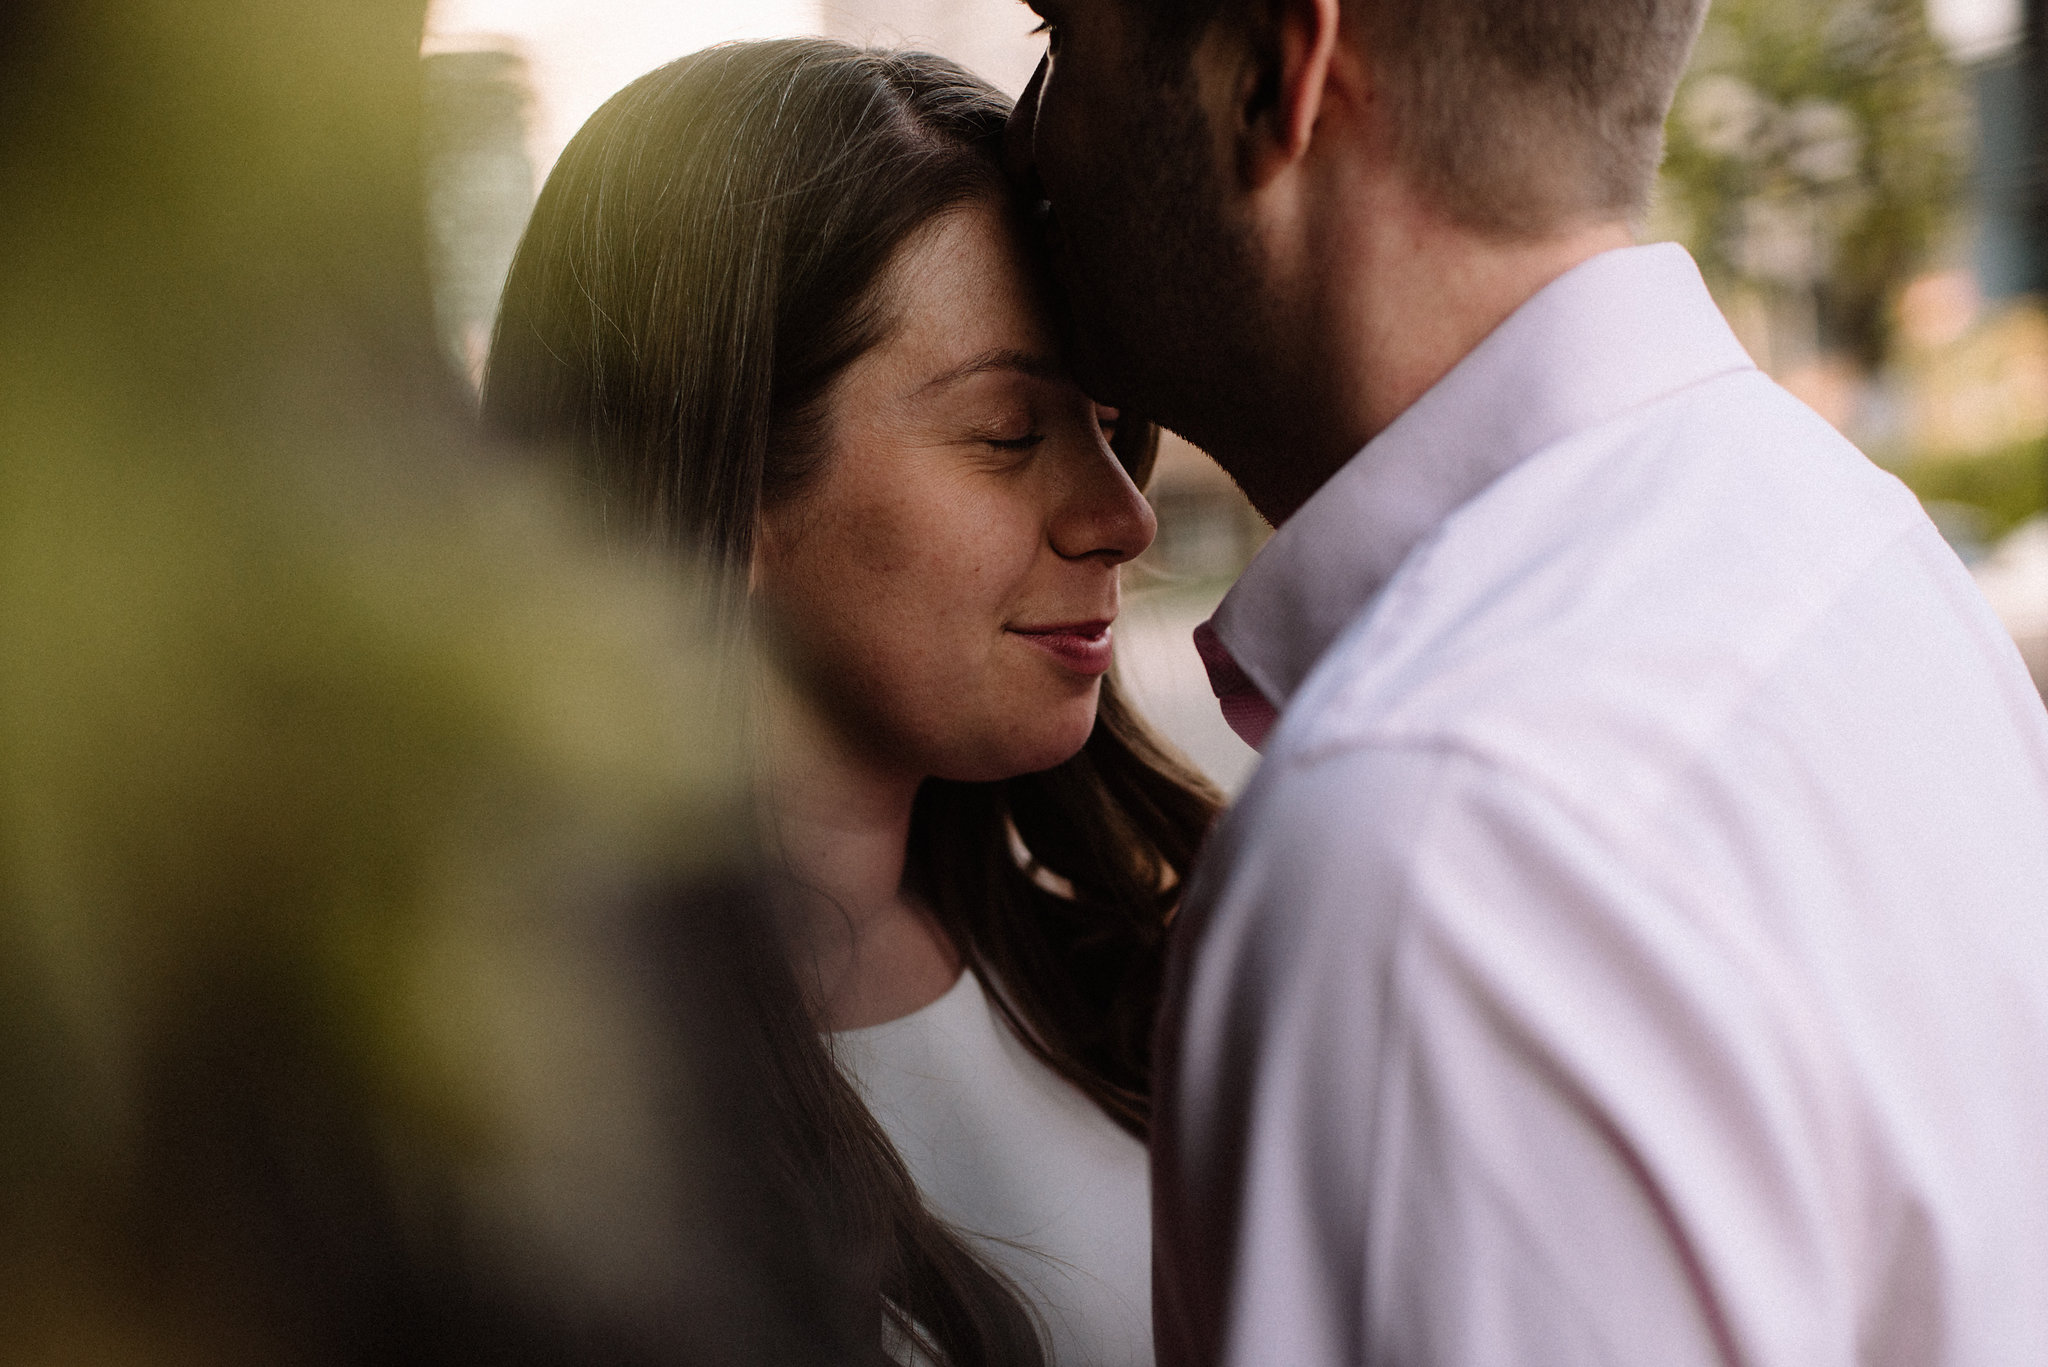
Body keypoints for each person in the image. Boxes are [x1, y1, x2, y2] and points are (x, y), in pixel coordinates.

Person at [1006, 0, 2048, 1361]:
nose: (1025, 130)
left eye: (1058, 34)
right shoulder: (1853, 544)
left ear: (1275, 72)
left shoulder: (1433, 850)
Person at [485, 39, 1222, 1367]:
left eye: (1114, 427)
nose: (1119, 515)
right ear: (715, 469)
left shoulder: (1128, 980)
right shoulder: (521, 1117)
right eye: (1008, 435)